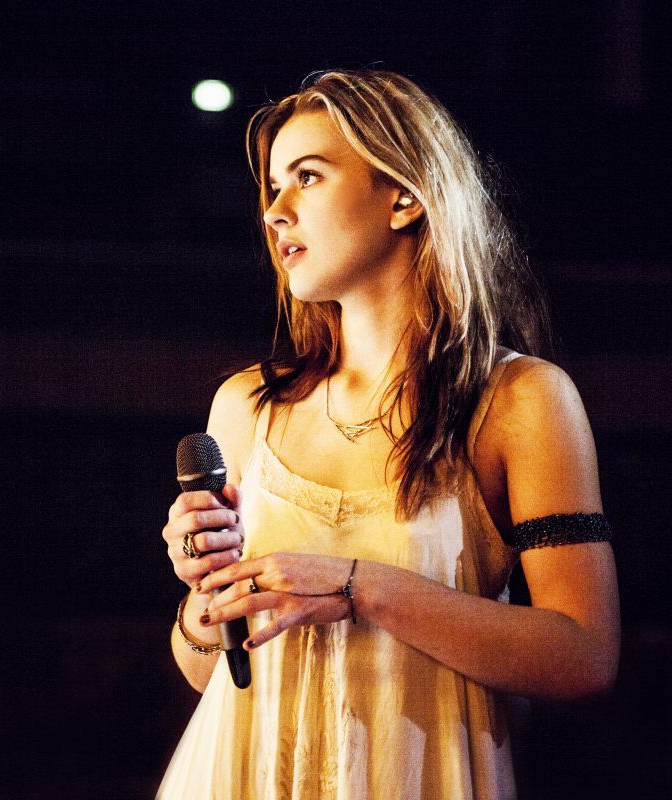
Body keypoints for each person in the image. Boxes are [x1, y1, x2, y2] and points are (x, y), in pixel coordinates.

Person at [157, 69, 619, 800]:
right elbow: (206, 670)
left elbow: (585, 656)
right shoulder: (245, 406)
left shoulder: (519, 400)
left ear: (404, 195)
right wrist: (204, 599)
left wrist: (359, 587)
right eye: (272, 187)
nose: (275, 211)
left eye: (307, 177)